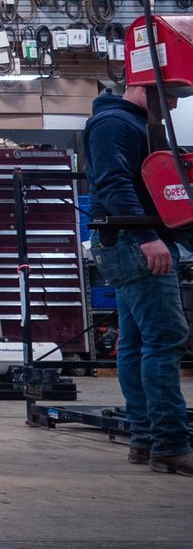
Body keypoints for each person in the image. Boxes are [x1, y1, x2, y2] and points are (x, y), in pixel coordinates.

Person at [82, 83, 192, 476]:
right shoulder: (114, 123)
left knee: (137, 342)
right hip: (134, 242)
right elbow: (113, 185)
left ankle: (146, 439)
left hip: (136, 240)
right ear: (141, 86)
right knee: (165, 339)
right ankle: (171, 445)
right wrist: (148, 238)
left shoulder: (137, 123)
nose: (176, 105)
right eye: (172, 95)